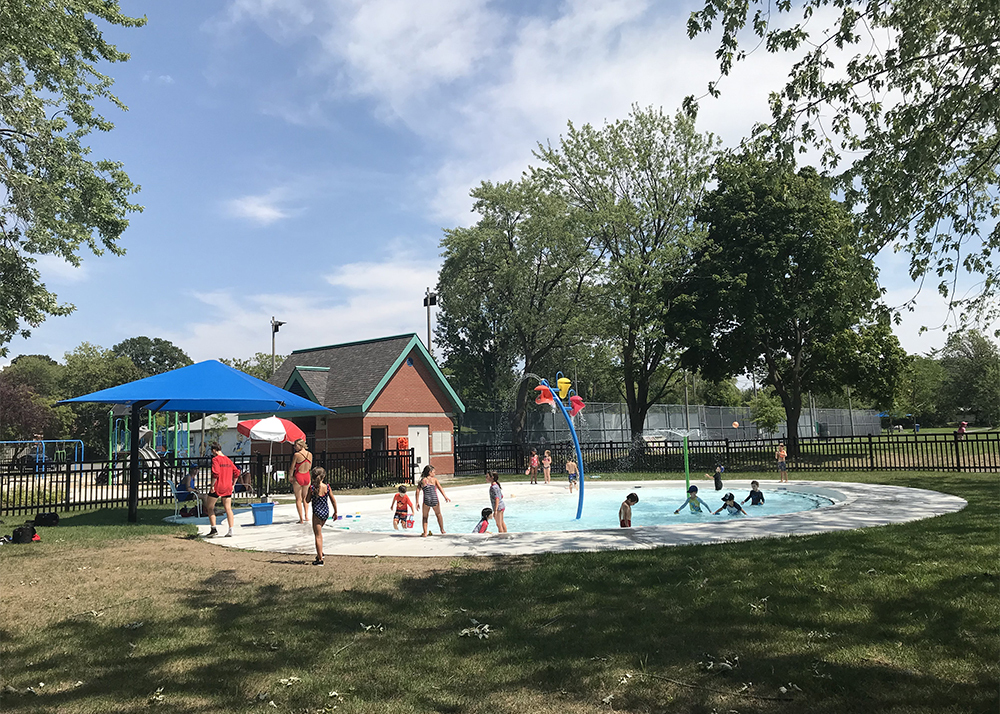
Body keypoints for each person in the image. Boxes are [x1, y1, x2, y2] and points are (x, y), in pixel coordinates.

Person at [203, 442, 239, 537]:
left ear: (214, 450)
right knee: (228, 508)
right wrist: (233, 485)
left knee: (210, 507)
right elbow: (236, 472)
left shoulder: (216, 459)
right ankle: (230, 530)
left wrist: (212, 486)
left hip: (218, 486)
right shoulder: (228, 460)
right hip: (228, 486)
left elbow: (216, 473)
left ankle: (213, 529)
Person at [306, 467, 337, 566]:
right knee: (319, 533)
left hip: (317, 514)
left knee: (318, 536)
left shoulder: (312, 488)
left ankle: (320, 559)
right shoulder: (327, 487)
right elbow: (333, 500)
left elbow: (307, 500)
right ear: (323, 476)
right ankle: (320, 552)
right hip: (325, 513)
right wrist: (335, 512)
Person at [415, 464, 450, 537]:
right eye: (434, 472)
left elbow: (417, 491)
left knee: (425, 517)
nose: (435, 473)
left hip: (426, 500)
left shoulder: (422, 481)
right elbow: (440, 488)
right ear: (429, 472)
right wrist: (445, 497)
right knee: (438, 514)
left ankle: (425, 533)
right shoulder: (434, 480)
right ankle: (442, 530)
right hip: (434, 499)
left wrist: (417, 502)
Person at [290, 438, 313, 524]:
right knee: (305, 498)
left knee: (298, 499)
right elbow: (310, 466)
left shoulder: (297, 455)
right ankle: (307, 516)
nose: (295, 447)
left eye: (296, 445)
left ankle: (301, 519)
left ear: (300, 445)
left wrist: (290, 476)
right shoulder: (310, 454)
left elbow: (292, 467)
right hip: (307, 476)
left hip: (299, 475)